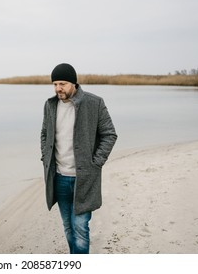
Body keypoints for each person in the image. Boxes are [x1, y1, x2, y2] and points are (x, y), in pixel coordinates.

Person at [40, 63, 117, 254]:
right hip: (59, 177)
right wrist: (45, 157)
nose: (58, 88)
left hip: (84, 178)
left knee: (81, 228)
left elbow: (110, 134)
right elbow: (44, 133)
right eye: (55, 84)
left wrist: (96, 163)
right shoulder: (50, 105)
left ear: (74, 83)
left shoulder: (94, 103)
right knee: (68, 227)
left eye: (63, 83)